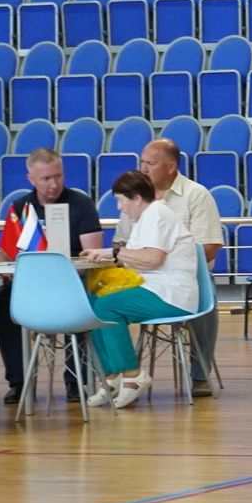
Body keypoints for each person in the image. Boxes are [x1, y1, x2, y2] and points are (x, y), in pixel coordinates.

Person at [80, 170, 199, 409]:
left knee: (106, 306)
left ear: (136, 198)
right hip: (154, 287)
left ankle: (133, 376)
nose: (119, 208)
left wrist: (113, 253)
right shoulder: (145, 218)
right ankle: (112, 377)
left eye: (121, 201)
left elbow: (153, 259)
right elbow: (132, 256)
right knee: (92, 305)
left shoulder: (157, 213)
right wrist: (105, 253)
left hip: (171, 293)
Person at [0, 148, 106, 404]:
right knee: (3, 305)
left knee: (79, 304)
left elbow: (93, 254)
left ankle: (76, 382)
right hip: (31, 285)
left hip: (72, 281)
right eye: (46, 179)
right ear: (31, 179)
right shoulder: (20, 207)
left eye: (58, 176)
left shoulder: (81, 204)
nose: (54, 184)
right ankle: (20, 381)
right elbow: (9, 253)